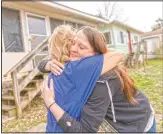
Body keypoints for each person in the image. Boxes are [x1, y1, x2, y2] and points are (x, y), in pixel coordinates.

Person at [39, 26, 156, 133]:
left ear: (97, 55)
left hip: (138, 123)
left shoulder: (101, 81)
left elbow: (85, 131)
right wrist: (47, 64)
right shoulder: (83, 68)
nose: (73, 49)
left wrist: (51, 103)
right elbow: (43, 65)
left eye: (81, 47)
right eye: (73, 43)